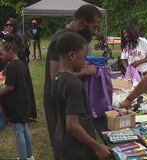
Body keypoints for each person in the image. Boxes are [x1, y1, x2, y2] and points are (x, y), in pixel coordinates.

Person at [43, 4, 102, 159]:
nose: (95, 33)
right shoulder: (61, 39)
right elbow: (55, 75)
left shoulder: (69, 36)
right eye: (94, 27)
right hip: (61, 106)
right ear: (82, 22)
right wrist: (85, 71)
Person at [51, 32, 112, 160]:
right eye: (84, 57)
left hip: (62, 144)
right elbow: (72, 125)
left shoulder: (57, 78)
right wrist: (97, 147)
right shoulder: (74, 84)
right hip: (77, 151)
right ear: (72, 55)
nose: (85, 63)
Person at [0, 34, 34, 160]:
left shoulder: (11, 66)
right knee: (25, 129)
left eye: (3, 54)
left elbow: (9, 87)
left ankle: (23, 158)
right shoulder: (21, 64)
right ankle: (29, 156)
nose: (2, 57)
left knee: (19, 132)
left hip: (15, 104)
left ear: (10, 52)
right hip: (24, 101)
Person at [3, 18, 37, 121]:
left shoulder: (18, 35)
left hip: (19, 64)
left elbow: (22, 50)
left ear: (14, 26)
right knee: (22, 87)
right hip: (19, 63)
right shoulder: (16, 35)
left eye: (10, 25)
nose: (8, 27)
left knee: (21, 88)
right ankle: (25, 112)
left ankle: (26, 113)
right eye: (7, 25)